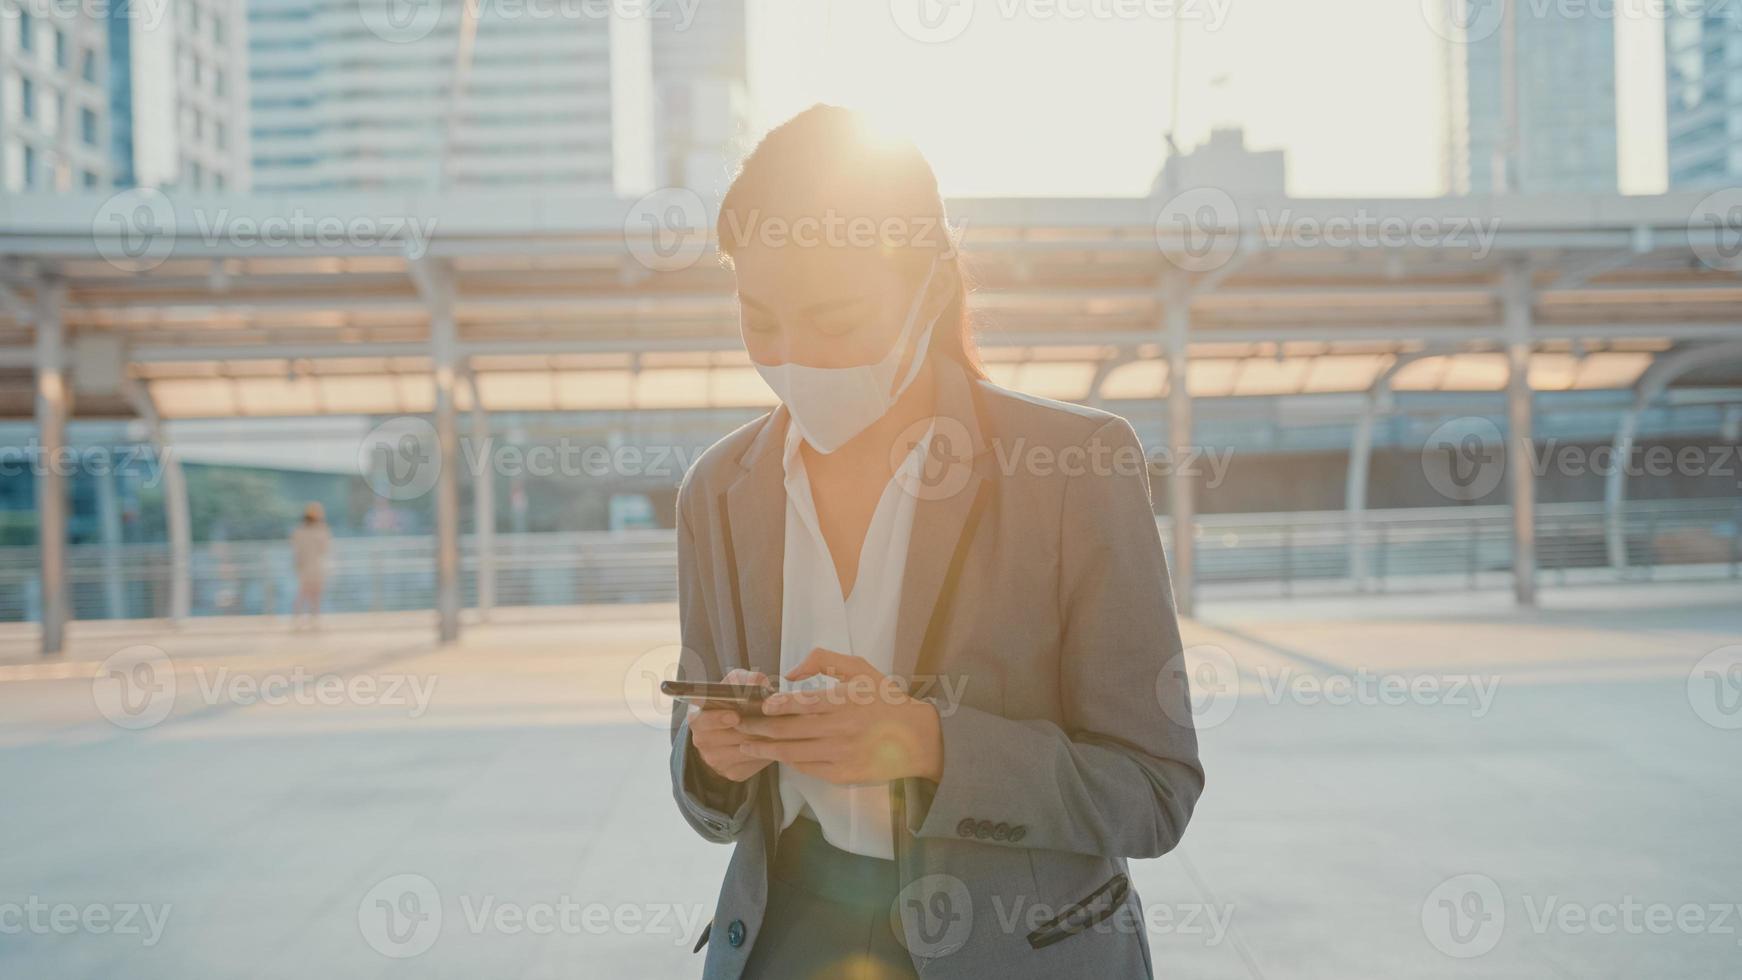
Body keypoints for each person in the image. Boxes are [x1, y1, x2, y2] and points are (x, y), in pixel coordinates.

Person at [668, 105, 1205, 980]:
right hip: (787, 942)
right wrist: (712, 754)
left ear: (930, 284)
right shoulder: (717, 492)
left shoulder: (1072, 468)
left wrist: (927, 742)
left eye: (835, 319)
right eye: (758, 316)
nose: (793, 355)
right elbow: (709, 804)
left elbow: (1154, 792)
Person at [289, 502, 331, 629]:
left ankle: (300, 619)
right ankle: (312, 619)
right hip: (315, 565)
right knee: (313, 594)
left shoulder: (299, 531)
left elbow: (295, 549)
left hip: (305, 565)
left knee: (305, 593)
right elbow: (325, 548)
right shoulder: (321, 530)